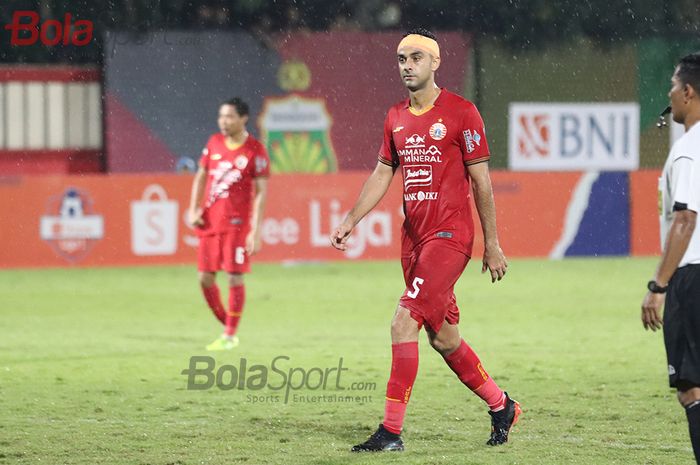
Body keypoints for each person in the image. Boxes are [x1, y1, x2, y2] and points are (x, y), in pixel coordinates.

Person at [330, 28, 521, 451]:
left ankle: (391, 432)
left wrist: (493, 243)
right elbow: (383, 172)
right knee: (444, 338)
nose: (407, 66)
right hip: (414, 241)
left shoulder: (462, 112)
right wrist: (351, 219)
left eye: (416, 57)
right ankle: (501, 405)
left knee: (403, 321)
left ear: (435, 62)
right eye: (401, 59)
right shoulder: (395, 116)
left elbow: (482, 182)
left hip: (450, 237)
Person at [641, 52, 700, 464]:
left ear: (689, 92)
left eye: (673, 88)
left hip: (691, 278)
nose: (669, 96)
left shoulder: (688, 150)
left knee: (691, 387)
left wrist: (658, 286)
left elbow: (685, 219)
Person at [187, 97, 269, 351]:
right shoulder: (213, 143)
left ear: (243, 118)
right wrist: (193, 208)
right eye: (221, 116)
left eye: (229, 116)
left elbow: (261, 192)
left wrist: (255, 231)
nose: (224, 121)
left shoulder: (255, 150)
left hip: (236, 224)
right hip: (210, 221)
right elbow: (201, 176)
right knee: (205, 278)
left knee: (234, 277)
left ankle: (230, 334)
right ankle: (229, 325)